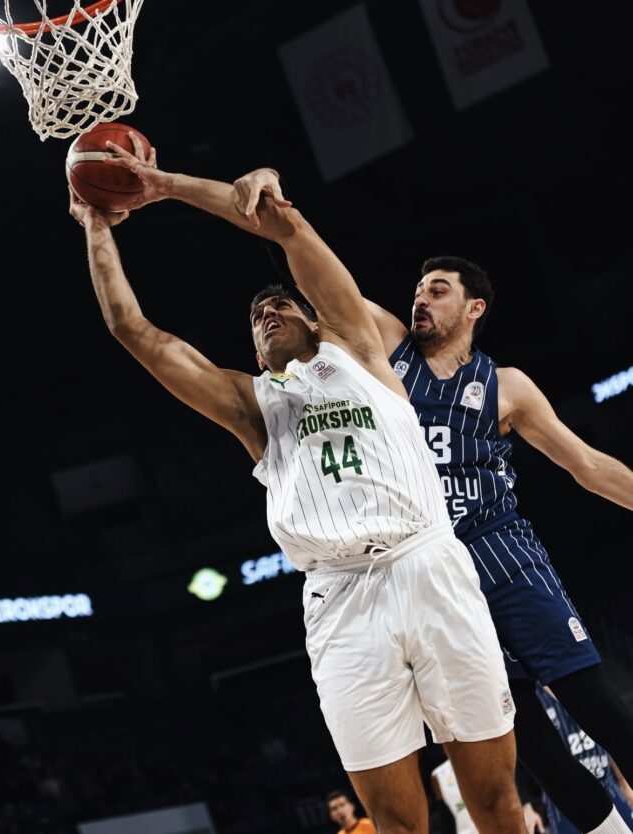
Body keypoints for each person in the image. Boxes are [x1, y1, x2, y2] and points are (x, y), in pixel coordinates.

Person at [68, 141, 527, 833]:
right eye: (257, 317)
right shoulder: (253, 406)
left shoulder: (362, 351)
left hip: (427, 562)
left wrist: (165, 184)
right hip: (338, 599)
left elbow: (288, 230)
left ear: (318, 318)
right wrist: (95, 225)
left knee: (494, 801)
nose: (268, 312)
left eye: (281, 303)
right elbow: (132, 330)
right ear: (256, 355)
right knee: (396, 821)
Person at [228, 169, 633, 834]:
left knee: (600, 708)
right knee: (535, 753)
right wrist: (269, 206)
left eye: (438, 291)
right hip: (429, 572)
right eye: (417, 290)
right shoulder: (384, 352)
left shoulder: (505, 384)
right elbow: (313, 275)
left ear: (474, 308)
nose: (421, 299)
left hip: (503, 557)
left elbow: (586, 465)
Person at [535, 686, 633, 834]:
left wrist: (624, 783)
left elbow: (612, 736)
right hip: (566, 800)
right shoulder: (533, 694)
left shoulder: (588, 683)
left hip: (607, 785)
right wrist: (526, 803)